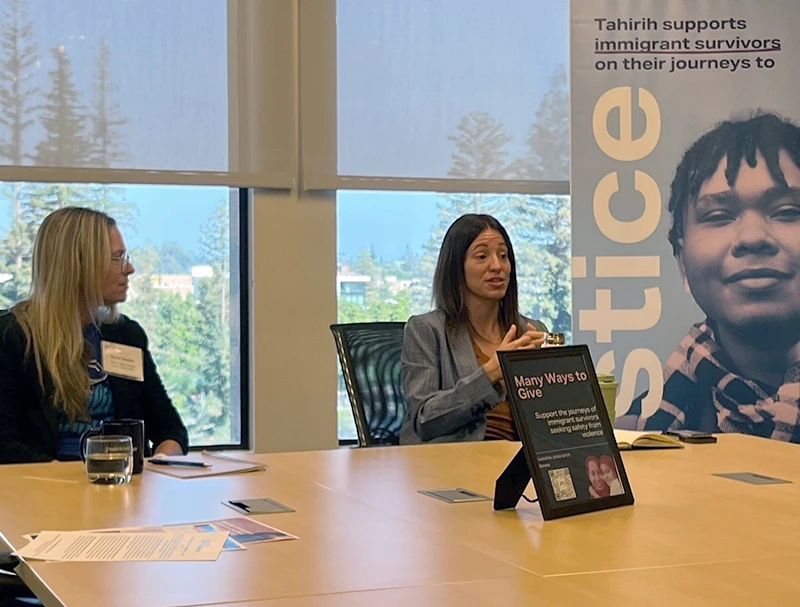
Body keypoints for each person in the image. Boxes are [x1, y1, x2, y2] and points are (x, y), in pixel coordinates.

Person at [644, 112, 800, 443]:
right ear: (682, 262)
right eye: (718, 215)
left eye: (788, 211)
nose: (753, 237)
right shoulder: (649, 426)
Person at [0, 207, 189, 464]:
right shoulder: (13, 337)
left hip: (120, 492)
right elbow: (5, 445)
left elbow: (171, 431)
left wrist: (162, 462)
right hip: (42, 494)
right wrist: (69, 483)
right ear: (78, 265)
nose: (130, 268)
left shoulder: (125, 334)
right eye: (117, 258)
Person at [400, 214, 548, 444]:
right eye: (482, 256)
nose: (497, 266)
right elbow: (425, 419)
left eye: (503, 256)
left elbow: (547, 418)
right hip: (457, 462)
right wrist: (490, 373)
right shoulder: (426, 330)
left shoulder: (529, 330)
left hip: (521, 463)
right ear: (456, 267)